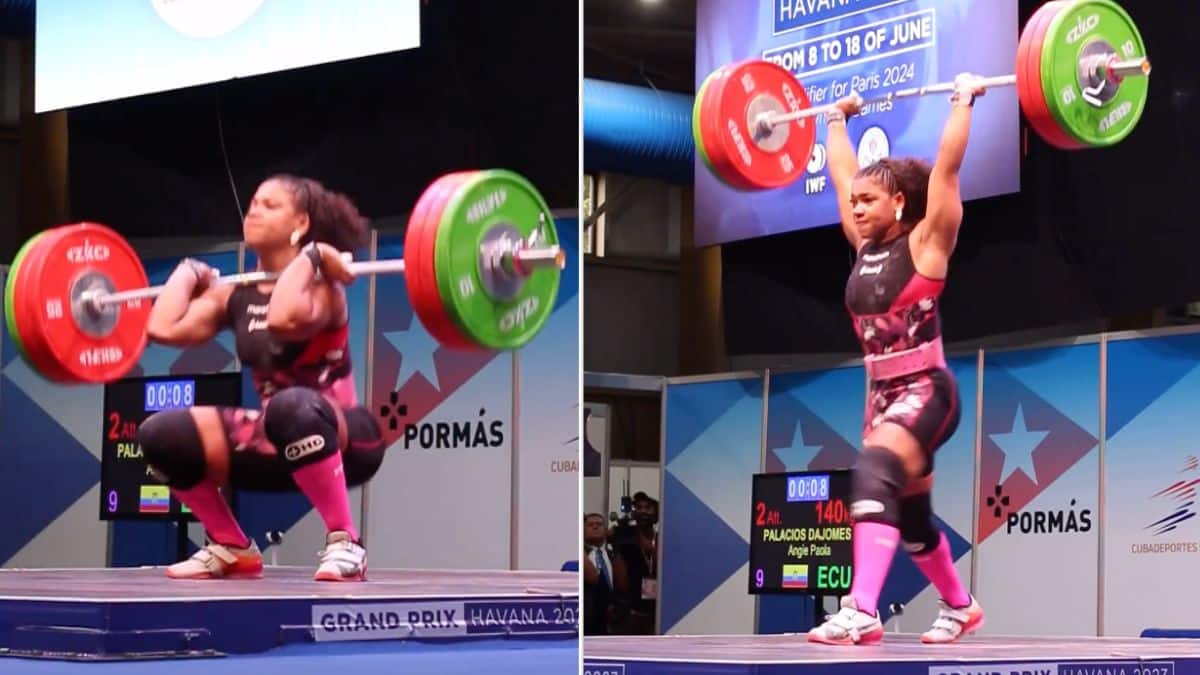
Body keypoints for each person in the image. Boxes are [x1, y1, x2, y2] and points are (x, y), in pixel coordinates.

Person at [806, 74, 987, 645]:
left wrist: (962, 100)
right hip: (882, 396)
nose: (855, 209)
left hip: (928, 390)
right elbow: (840, 173)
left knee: (872, 474)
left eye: (868, 200)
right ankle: (960, 606)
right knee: (910, 523)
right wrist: (836, 120)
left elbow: (947, 169)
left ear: (900, 201)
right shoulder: (863, 248)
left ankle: (862, 607)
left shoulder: (927, 243)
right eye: (854, 202)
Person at [135, 174, 384, 582]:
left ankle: (346, 543)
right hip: (274, 438)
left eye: (270, 205)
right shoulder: (234, 294)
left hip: (346, 438)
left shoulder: (324, 287)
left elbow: (283, 318)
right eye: (252, 202)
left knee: (291, 406)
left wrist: (315, 256)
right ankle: (230, 545)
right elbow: (164, 327)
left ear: (300, 223)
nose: (254, 210)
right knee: (160, 433)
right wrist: (186, 272)